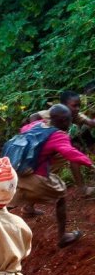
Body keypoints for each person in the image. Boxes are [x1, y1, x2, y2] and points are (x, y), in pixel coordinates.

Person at [10, 104, 91, 248]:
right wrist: (90, 164)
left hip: (16, 173)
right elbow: (71, 153)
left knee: (6, 202)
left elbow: (24, 132)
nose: (69, 123)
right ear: (62, 121)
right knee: (61, 195)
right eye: (67, 120)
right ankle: (63, 237)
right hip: (36, 177)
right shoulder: (58, 135)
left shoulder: (35, 125)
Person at [34, 90, 95, 197]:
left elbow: (90, 123)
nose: (77, 108)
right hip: (42, 149)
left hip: (54, 148)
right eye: (74, 105)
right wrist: (37, 134)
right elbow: (33, 116)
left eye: (79, 105)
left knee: (74, 151)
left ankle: (82, 188)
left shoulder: (74, 114)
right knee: (42, 176)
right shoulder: (53, 112)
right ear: (63, 105)